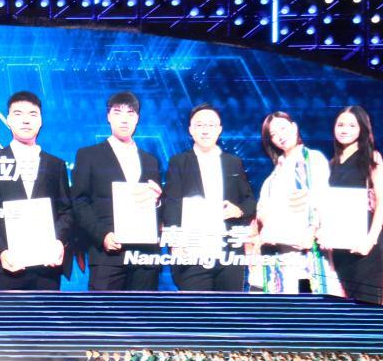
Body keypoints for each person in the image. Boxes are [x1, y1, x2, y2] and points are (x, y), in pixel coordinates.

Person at [0, 91, 74, 290]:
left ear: (41, 121)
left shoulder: (56, 164)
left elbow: (66, 211)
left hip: (47, 269)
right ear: (8, 120)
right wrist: (2, 252)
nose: (26, 120)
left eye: (32, 114)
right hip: (5, 267)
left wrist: (58, 242)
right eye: (18, 114)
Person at [70, 92, 163, 290]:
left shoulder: (151, 160)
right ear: (108, 116)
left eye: (130, 113)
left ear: (137, 118)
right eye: (118, 112)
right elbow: (79, 202)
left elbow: (158, 207)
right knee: (104, 310)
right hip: (107, 254)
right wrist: (102, 235)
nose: (124, 119)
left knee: (144, 309)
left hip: (145, 256)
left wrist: (157, 202)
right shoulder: (88, 155)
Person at [162, 103, 256, 291]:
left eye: (211, 125)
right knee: (196, 308)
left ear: (219, 129)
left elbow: (250, 202)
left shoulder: (233, 163)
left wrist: (238, 210)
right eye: (199, 125)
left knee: (229, 308)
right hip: (191, 252)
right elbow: (172, 205)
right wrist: (175, 245)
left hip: (229, 253)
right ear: (190, 130)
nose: (205, 130)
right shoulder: (179, 162)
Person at [252, 111, 340, 295]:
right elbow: (262, 209)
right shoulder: (274, 175)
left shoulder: (313, 159)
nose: (280, 136)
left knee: (314, 302)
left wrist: (312, 229)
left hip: (308, 249)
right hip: (280, 252)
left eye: (283, 128)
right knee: (286, 305)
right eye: (273, 134)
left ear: (294, 127)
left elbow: (321, 198)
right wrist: (265, 223)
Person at [327, 106, 383, 304]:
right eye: (340, 125)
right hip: (339, 247)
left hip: (365, 246)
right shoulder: (331, 164)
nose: (344, 130)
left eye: (352, 125)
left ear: (362, 128)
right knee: (347, 308)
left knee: (369, 309)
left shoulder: (372, 157)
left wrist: (369, 241)